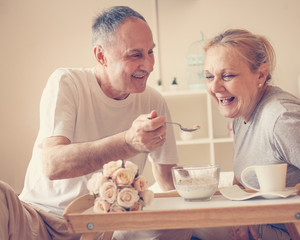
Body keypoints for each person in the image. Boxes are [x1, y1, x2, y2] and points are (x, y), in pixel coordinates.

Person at [0, 6, 192, 240]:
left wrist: (203, 188)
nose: (149, 65)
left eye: (150, 52)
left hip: (103, 228)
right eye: (135, 55)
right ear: (101, 56)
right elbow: (53, 165)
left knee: (178, 225)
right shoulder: (67, 82)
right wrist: (128, 142)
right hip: (40, 220)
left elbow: (167, 182)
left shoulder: (153, 100)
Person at [203, 29, 300, 239]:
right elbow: (242, 180)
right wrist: (242, 216)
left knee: (186, 225)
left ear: (261, 75)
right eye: (208, 76)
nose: (214, 87)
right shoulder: (242, 114)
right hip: (269, 223)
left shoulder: (283, 119)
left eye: (228, 75)